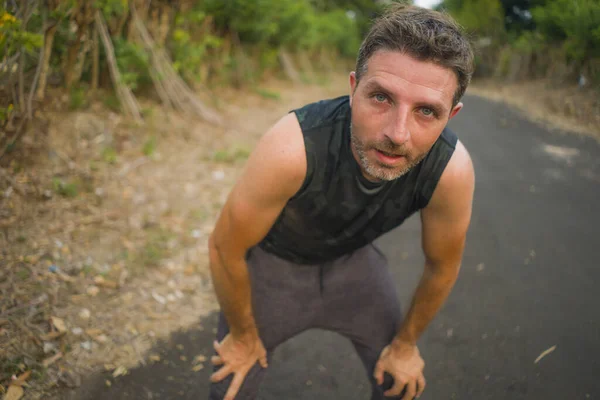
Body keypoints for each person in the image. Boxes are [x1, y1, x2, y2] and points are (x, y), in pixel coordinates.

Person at [207, 4, 475, 400]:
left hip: (355, 266)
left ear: (450, 116)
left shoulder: (450, 172)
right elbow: (224, 247)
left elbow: (442, 266)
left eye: (425, 111)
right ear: (353, 88)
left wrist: (405, 346)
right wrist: (244, 335)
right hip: (274, 265)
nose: (397, 134)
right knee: (229, 384)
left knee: (399, 383)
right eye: (381, 97)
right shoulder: (293, 147)